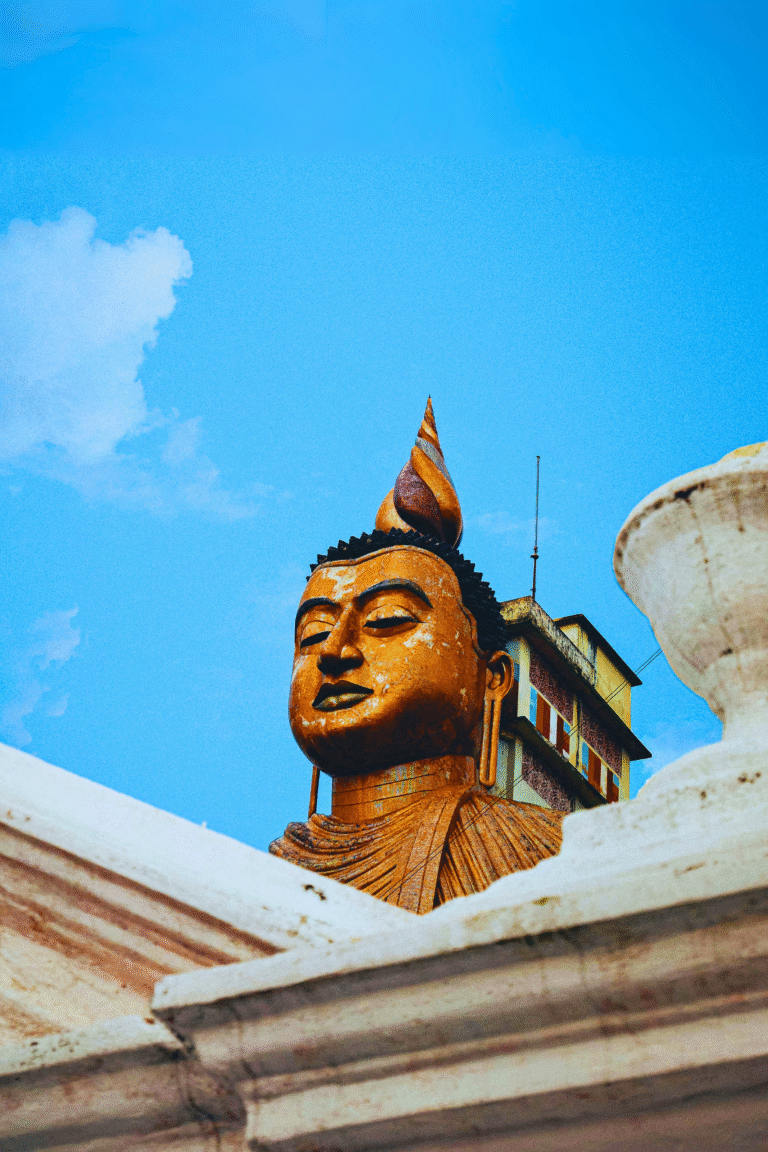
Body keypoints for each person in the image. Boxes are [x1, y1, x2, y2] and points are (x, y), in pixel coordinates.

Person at [270, 400, 563, 912]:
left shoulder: (555, 855)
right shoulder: (255, 875)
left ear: (492, 676)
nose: (334, 652)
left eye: (387, 620)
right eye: (314, 633)